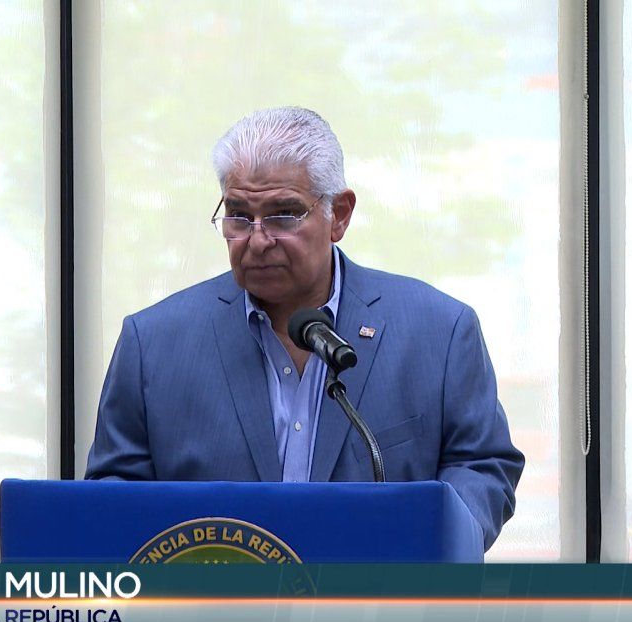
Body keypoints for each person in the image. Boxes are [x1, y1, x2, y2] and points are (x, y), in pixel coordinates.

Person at [84, 107, 524, 551]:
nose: (258, 240)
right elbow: (113, 496)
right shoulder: (152, 343)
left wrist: (438, 543)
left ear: (339, 215)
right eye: (239, 215)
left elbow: (482, 466)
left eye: (284, 215)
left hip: (380, 592)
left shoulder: (439, 332)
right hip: (213, 592)